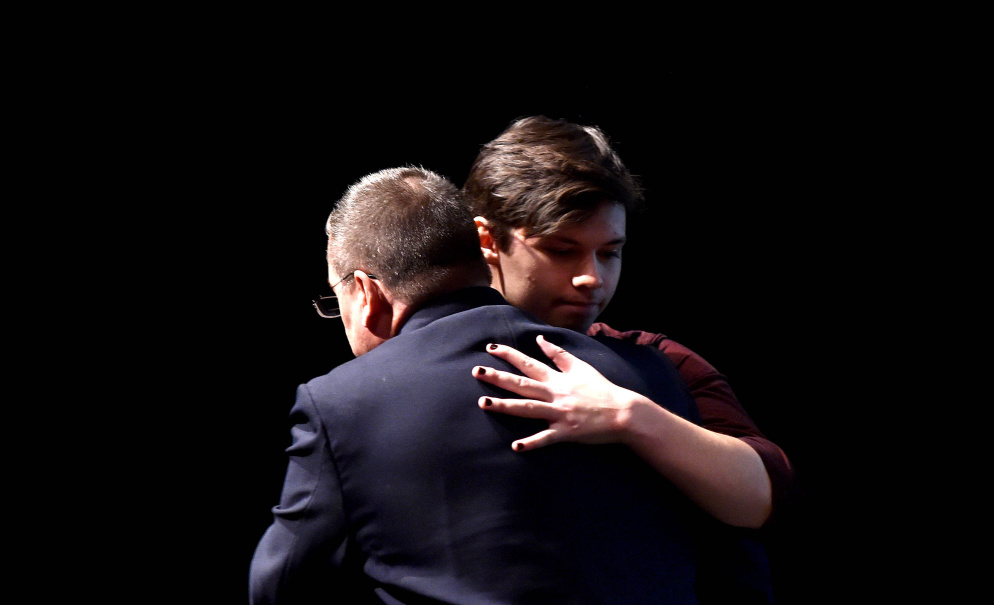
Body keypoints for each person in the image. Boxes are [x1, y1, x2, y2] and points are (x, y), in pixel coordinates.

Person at [250, 166, 713, 604]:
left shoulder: (341, 404)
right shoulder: (649, 375)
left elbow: (281, 587)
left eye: (336, 296)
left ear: (366, 294)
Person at [461, 116, 792, 598]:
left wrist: (626, 414)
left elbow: (768, 496)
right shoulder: (425, 368)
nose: (591, 277)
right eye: (561, 250)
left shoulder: (660, 361)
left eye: (609, 253)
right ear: (489, 240)